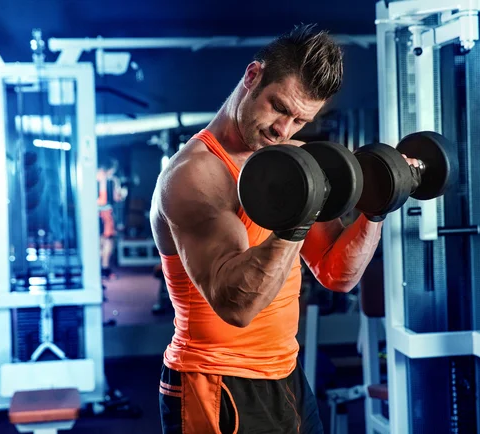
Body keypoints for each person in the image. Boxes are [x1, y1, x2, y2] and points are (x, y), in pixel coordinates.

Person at [150, 24, 418, 433]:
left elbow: (336, 274)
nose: (283, 130)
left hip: (286, 374)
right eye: (279, 107)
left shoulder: (291, 159)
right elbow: (236, 307)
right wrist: (297, 219)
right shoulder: (193, 177)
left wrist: (375, 208)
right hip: (214, 381)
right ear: (252, 76)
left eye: (299, 120)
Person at [97, 158, 127, 278]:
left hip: (97, 214)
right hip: (104, 214)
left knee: (101, 242)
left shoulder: (93, 176)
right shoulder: (109, 179)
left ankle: (101, 269)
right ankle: (103, 269)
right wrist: (122, 192)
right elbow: (111, 198)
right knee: (107, 242)